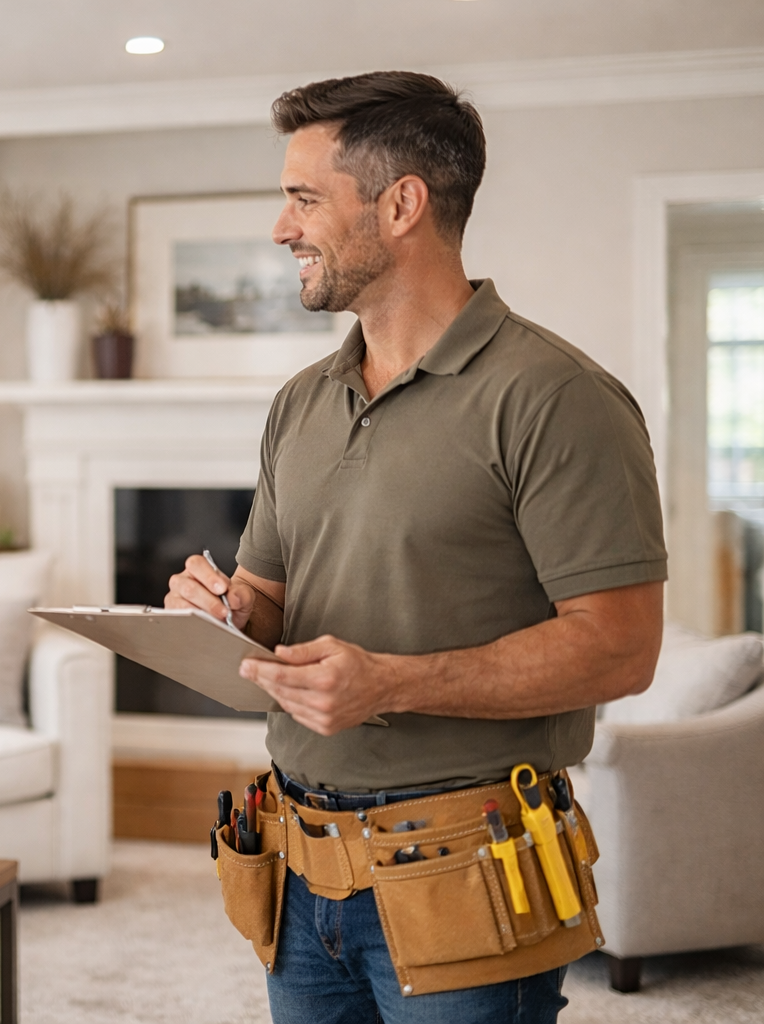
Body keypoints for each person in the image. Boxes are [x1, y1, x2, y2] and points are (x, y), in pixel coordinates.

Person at [166, 72, 665, 1023]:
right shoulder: (303, 402)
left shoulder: (556, 398)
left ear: (401, 205)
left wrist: (390, 682)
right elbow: (270, 602)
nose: (281, 229)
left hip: (467, 870)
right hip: (298, 865)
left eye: (304, 199)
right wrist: (226, 613)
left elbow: (621, 647)